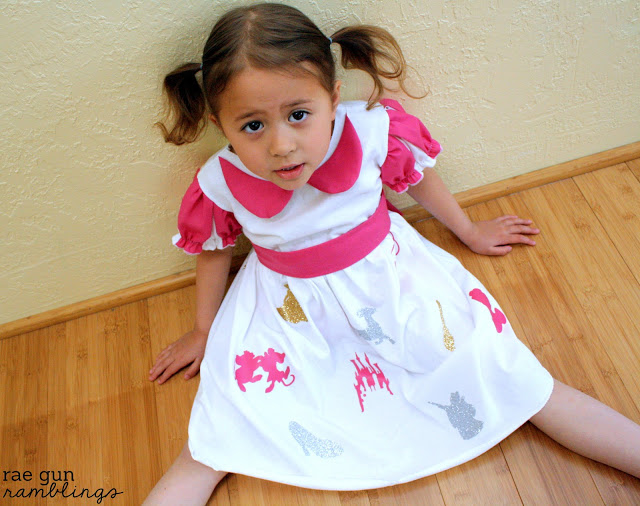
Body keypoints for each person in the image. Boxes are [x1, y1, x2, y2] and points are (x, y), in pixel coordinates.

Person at [144, 3, 640, 504]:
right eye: (252, 125)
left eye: (299, 115)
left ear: (333, 99)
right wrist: (205, 331)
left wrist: (467, 229)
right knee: (214, 439)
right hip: (288, 312)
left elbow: (419, 180)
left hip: (394, 283)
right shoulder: (218, 181)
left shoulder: (372, 131)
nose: (281, 145)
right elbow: (213, 252)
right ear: (218, 123)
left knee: (515, 378)